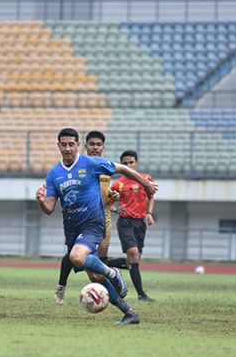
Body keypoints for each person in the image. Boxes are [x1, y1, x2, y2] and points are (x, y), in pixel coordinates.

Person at [36, 127, 157, 326]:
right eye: (63, 145)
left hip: (93, 222)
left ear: (77, 145)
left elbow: (123, 168)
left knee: (76, 257)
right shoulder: (54, 174)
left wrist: (144, 183)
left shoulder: (90, 163)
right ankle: (129, 313)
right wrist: (41, 200)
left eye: (71, 144)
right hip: (72, 228)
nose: (67, 148)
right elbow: (49, 208)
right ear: (58, 146)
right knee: (94, 275)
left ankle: (112, 272)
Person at [53, 130, 118, 304]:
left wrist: (111, 198)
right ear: (85, 146)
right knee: (76, 257)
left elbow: (101, 194)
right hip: (78, 220)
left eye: (98, 145)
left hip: (103, 217)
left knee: (97, 260)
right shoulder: (82, 165)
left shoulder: (103, 167)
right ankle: (63, 285)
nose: (95, 148)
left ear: (103, 147)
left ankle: (103, 294)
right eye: (92, 144)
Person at [109, 150, 156, 302]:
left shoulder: (146, 179)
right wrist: (116, 209)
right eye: (125, 163)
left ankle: (101, 264)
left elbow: (151, 196)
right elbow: (105, 203)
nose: (128, 165)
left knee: (132, 261)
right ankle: (142, 295)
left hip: (140, 224)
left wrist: (149, 213)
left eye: (131, 162)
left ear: (136, 163)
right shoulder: (118, 184)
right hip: (125, 222)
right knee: (134, 256)